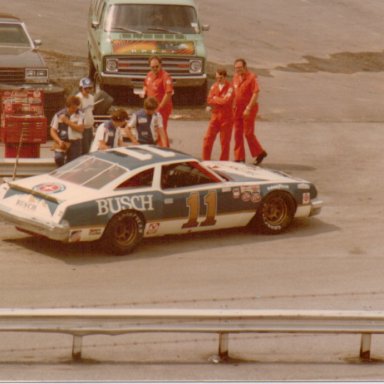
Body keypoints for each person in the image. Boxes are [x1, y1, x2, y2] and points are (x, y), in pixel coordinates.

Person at [232, 58, 267, 165]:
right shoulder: (235, 77)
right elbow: (234, 91)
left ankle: (260, 153)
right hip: (237, 109)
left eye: (240, 68)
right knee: (237, 133)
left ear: (245, 67)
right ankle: (239, 157)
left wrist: (248, 108)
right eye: (236, 68)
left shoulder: (251, 78)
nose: (238, 70)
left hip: (248, 109)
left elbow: (255, 93)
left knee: (248, 133)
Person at [202, 68, 234, 161]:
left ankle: (224, 163)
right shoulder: (214, 86)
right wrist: (218, 99)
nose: (218, 80)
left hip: (226, 118)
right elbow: (209, 99)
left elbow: (226, 101)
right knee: (207, 139)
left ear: (225, 77)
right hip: (215, 117)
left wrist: (215, 98)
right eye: (217, 78)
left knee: (225, 143)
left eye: (220, 78)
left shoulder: (230, 87)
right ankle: (205, 161)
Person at [142, 56, 173, 147]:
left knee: (161, 131)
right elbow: (145, 86)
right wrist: (143, 92)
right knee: (153, 131)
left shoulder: (165, 76)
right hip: (151, 108)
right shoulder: (149, 75)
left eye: (157, 66)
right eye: (153, 67)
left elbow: (168, 93)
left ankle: (166, 152)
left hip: (162, 108)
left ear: (161, 65)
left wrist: (159, 108)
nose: (155, 68)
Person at [50, 95, 85, 167]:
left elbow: (81, 129)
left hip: (75, 142)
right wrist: (59, 141)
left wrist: (67, 121)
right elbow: (52, 130)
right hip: (63, 141)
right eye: (73, 108)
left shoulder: (80, 114)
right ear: (67, 106)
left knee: (74, 164)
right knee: (58, 157)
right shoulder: (58, 115)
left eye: (76, 107)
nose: (75, 109)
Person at [77, 77, 95, 154]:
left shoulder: (92, 97)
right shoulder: (78, 98)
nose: (88, 90)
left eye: (89, 88)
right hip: (82, 128)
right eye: (86, 88)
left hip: (90, 127)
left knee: (90, 148)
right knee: (84, 150)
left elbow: (91, 110)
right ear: (81, 88)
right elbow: (76, 114)